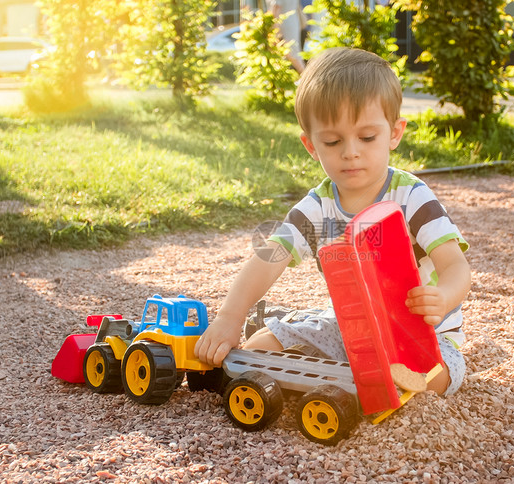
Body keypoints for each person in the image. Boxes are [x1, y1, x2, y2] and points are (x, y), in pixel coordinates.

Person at [194, 47, 472, 395]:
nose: (351, 151)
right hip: (349, 327)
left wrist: (443, 297)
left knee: (431, 379)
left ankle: (371, 375)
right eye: (333, 141)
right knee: (255, 353)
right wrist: (229, 318)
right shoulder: (316, 207)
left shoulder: (411, 198)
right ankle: (343, 371)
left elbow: (457, 267)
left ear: (395, 133)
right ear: (312, 146)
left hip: (422, 334)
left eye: (367, 138)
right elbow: (267, 260)